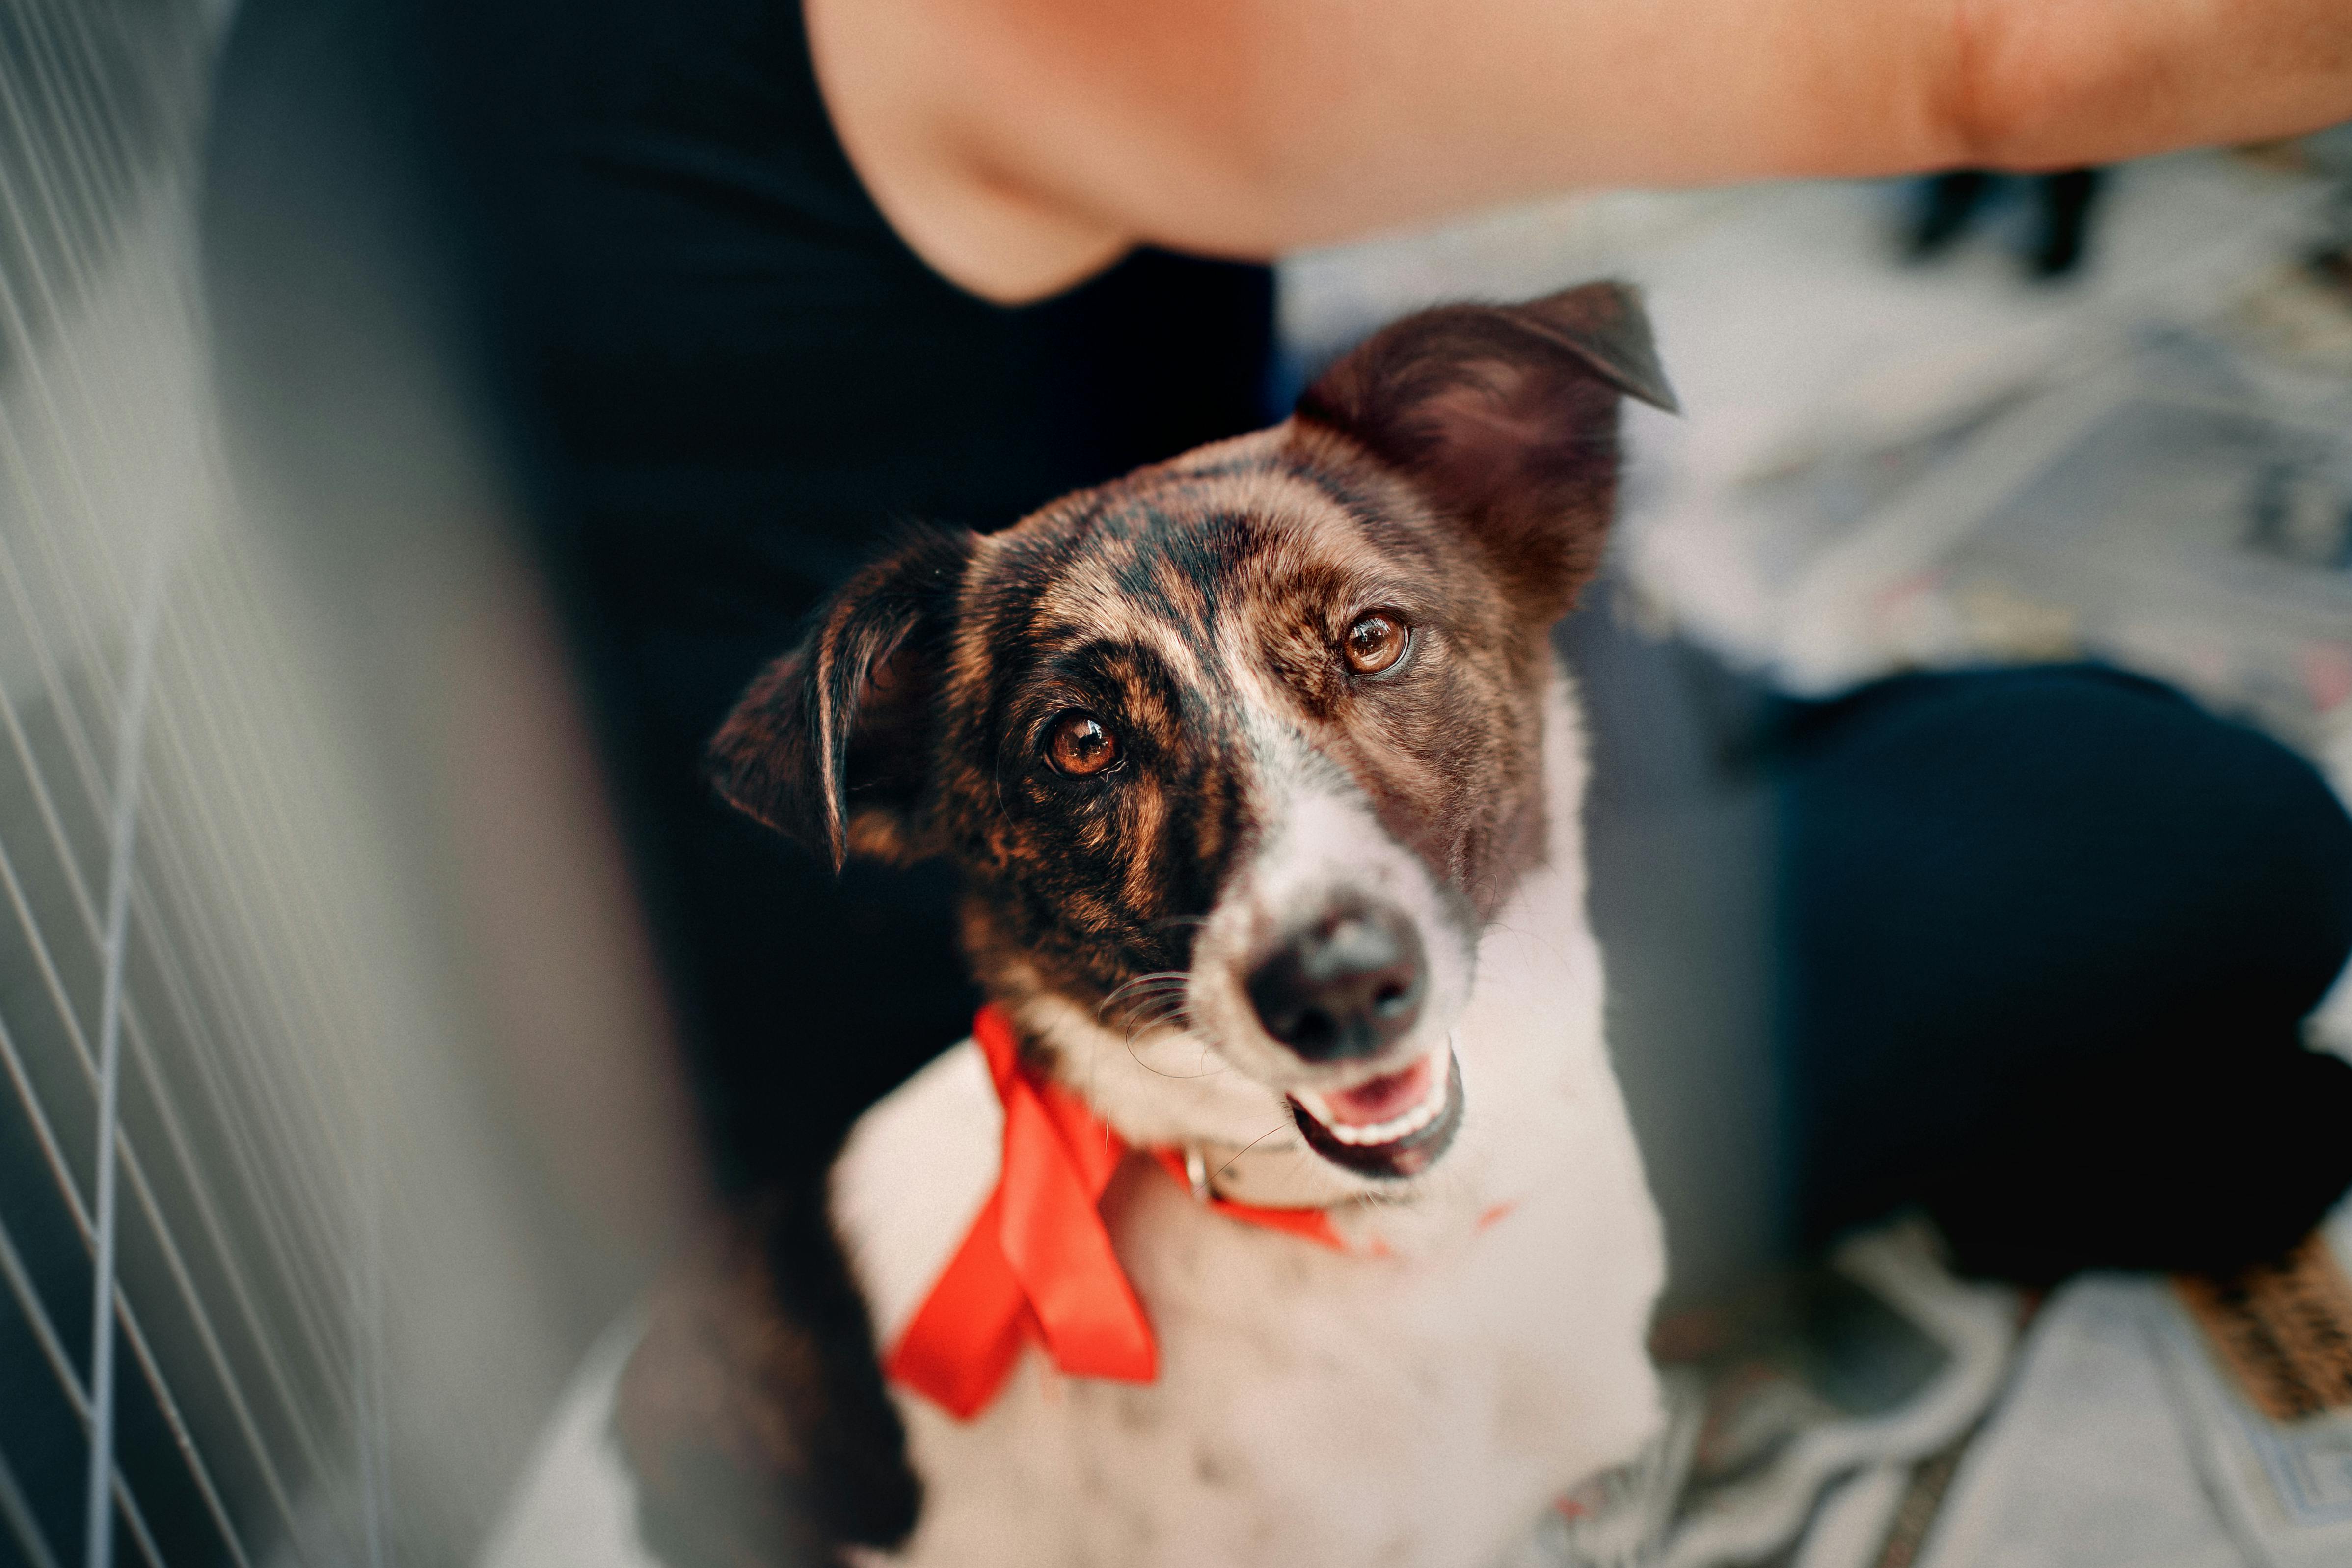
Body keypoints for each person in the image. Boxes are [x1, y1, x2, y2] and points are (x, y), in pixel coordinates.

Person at [204, 0, 2352, 1548]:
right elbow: (1993, 52)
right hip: (1039, 1157)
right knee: (2200, 841)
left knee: (1678, 702)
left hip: (958, 900)